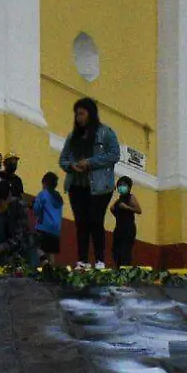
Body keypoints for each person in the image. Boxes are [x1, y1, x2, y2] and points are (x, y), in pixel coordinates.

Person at [58, 97, 121, 269]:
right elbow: (62, 160)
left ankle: (100, 260)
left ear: (91, 114)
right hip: (76, 186)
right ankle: (82, 261)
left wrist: (90, 162)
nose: (78, 117)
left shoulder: (106, 133)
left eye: (82, 113)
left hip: (100, 188)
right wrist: (72, 165)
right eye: (76, 114)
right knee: (81, 223)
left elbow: (114, 155)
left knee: (95, 220)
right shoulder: (72, 137)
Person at [0, 181, 40, 267]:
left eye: (0, 203)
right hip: (1, 253)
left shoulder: (20, 208)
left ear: (8, 198)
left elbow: (19, 238)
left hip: (23, 251)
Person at [31, 171, 64, 266]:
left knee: (37, 246)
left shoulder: (42, 194)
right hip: (56, 229)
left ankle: (44, 263)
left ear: (44, 183)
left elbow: (36, 210)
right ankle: (52, 270)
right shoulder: (58, 196)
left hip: (43, 226)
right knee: (51, 252)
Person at [110, 177, 141, 268]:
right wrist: (115, 212)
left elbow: (139, 210)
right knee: (116, 251)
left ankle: (125, 271)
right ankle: (118, 269)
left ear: (129, 187)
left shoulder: (131, 197)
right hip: (119, 227)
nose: (121, 187)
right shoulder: (119, 199)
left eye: (124, 185)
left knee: (125, 251)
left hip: (128, 228)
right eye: (119, 185)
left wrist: (127, 208)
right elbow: (113, 209)